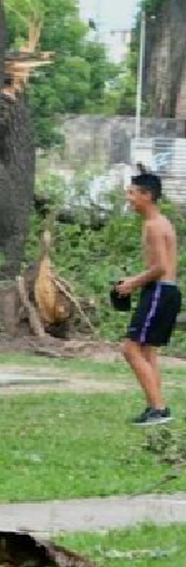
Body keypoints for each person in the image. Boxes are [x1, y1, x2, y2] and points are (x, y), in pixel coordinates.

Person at [115, 170, 179, 427]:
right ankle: (156, 406)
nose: (128, 198)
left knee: (130, 349)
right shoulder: (159, 222)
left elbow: (161, 267)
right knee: (147, 350)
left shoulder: (154, 226)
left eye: (132, 193)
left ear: (147, 195)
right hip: (164, 291)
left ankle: (159, 409)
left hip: (160, 291)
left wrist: (132, 283)